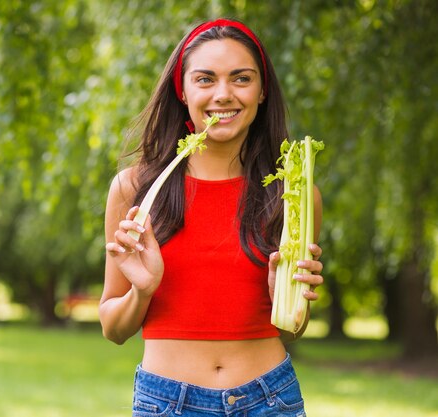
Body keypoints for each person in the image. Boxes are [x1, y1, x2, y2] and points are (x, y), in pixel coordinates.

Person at [99, 18, 323, 417]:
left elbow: (293, 328)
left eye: (241, 79)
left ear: (262, 90)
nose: (224, 94)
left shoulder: (294, 194)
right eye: (205, 79)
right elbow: (113, 329)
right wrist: (143, 290)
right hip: (167, 403)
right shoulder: (134, 190)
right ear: (182, 91)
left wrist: (283, 295)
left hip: (271, 399)